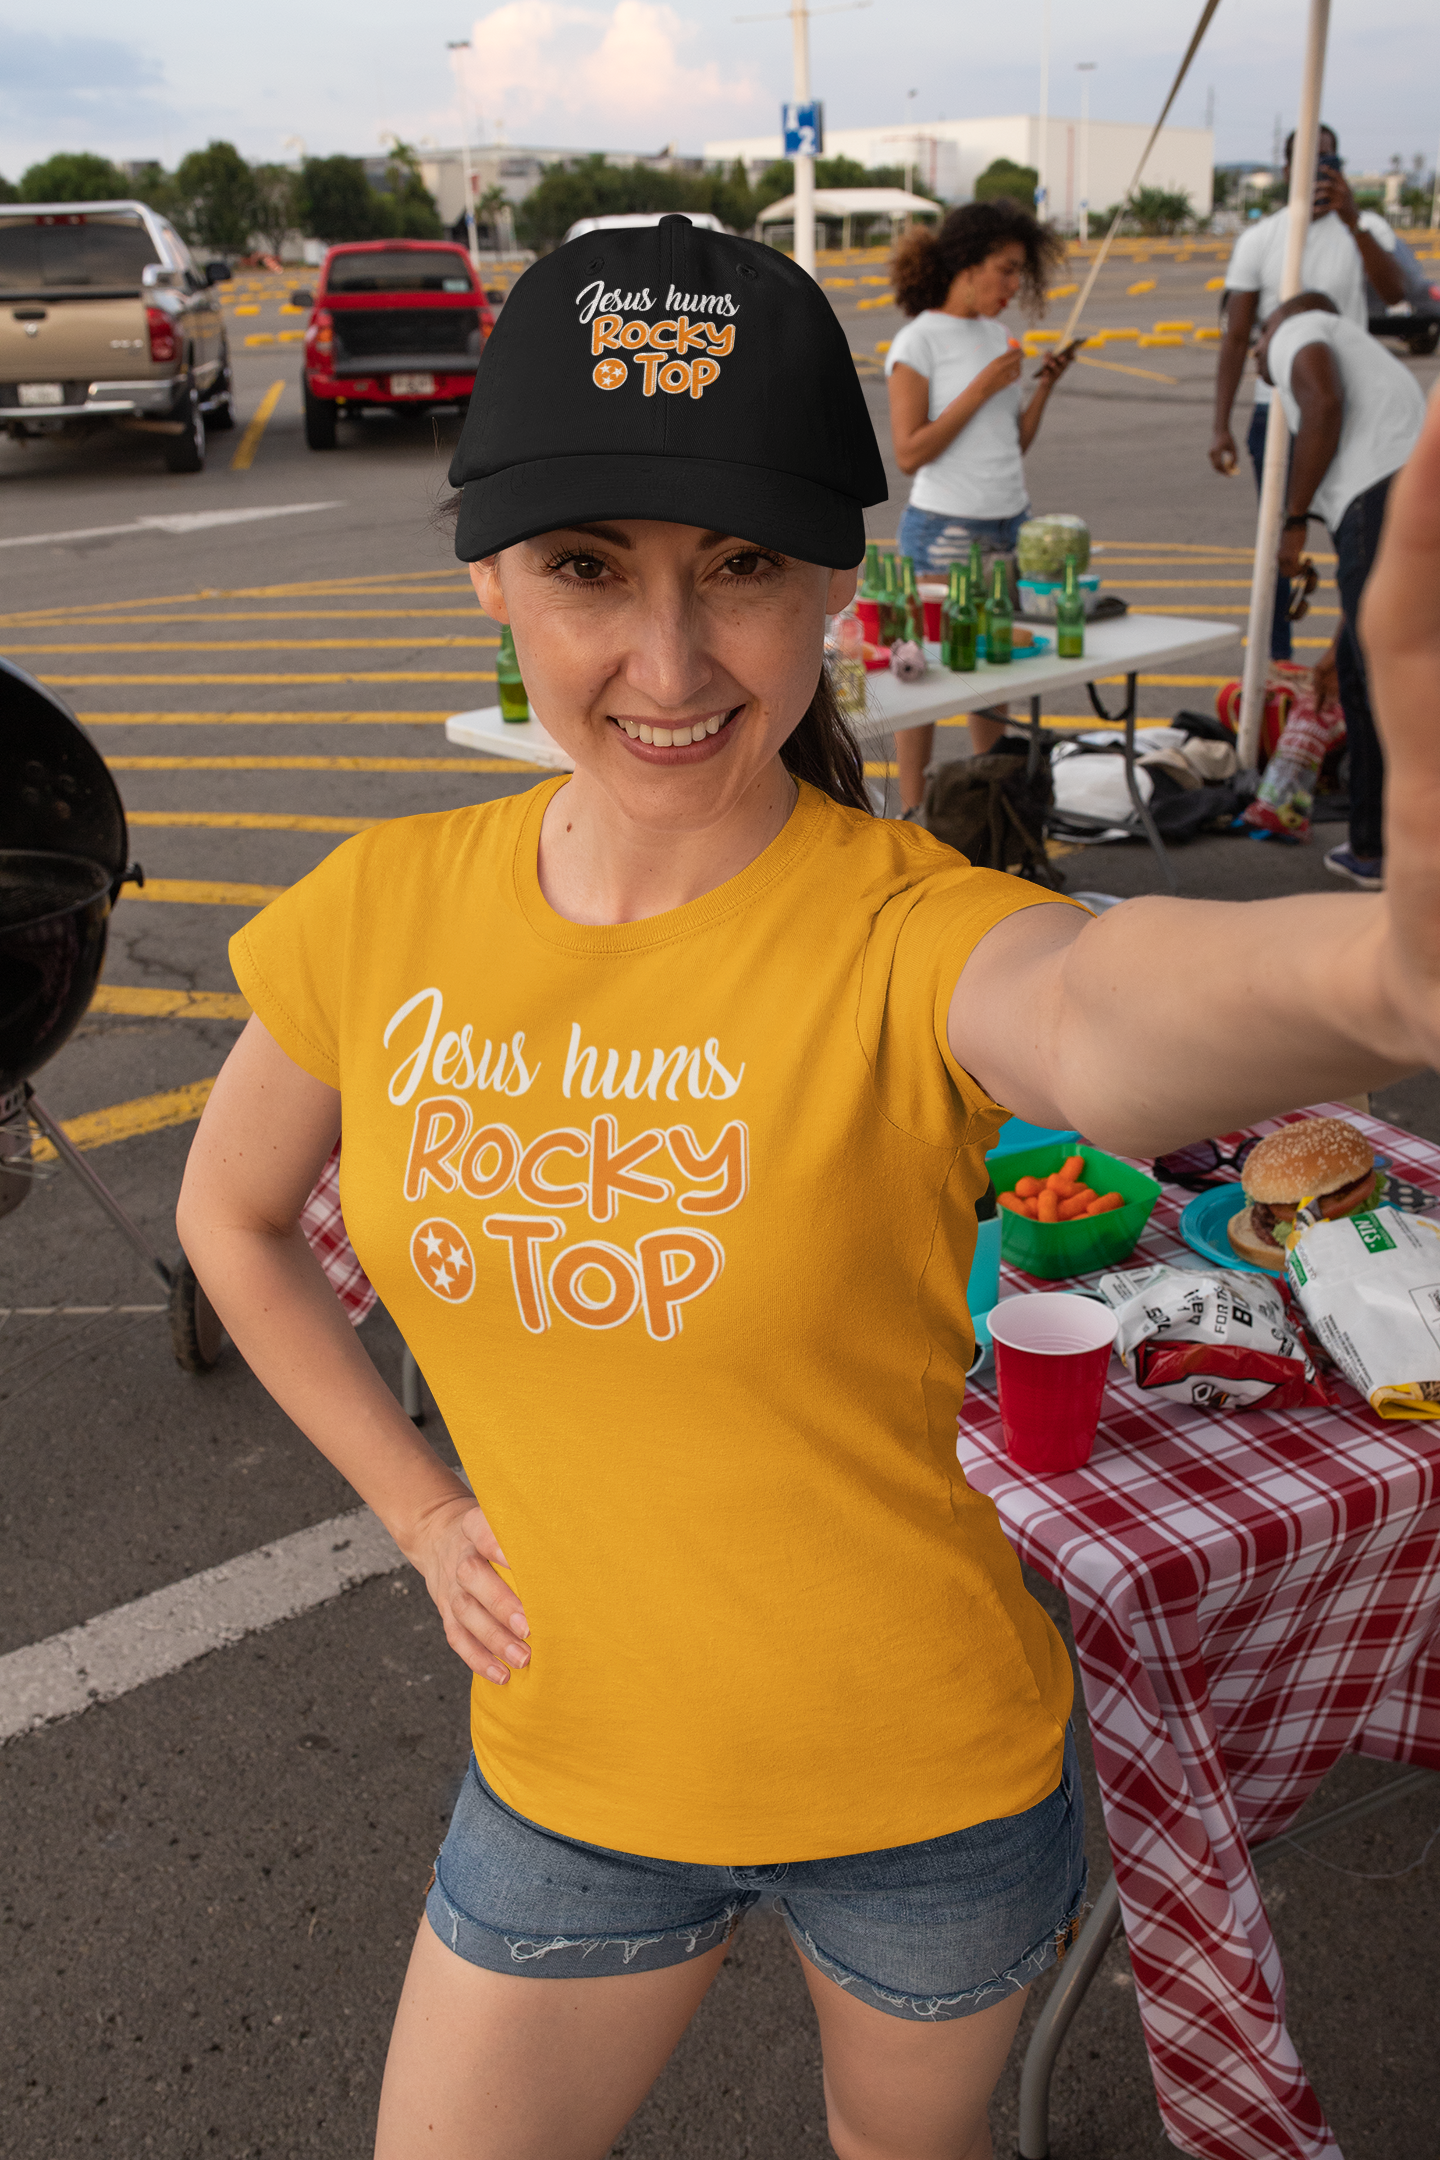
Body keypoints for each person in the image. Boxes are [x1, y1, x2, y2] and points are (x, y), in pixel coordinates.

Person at [176, 215, 1440, 2160]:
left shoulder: (910, 929)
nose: (668, 662)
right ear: (491, 575)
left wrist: (1378, 977)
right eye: (592, 569)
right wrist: (427, 1517)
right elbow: (231, 1222)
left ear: (838, 589)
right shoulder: (375, 914)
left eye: (741, 571)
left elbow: (1095, 1013)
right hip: (566, 1784)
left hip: (922, 1793)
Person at [885, 200, 1079, 812]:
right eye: (1006, 269)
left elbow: (1012, 441)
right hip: (946, 528)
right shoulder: (918, 340)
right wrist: (981, 388)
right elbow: (911, 451)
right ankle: (914, 815)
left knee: (993, 669)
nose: (1014, 285)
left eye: (1021, 271)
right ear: (966, 265)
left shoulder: (999, 338)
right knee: (926, 674)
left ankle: (987, 808)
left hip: (1009, 521)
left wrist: (1043, 385)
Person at [1209, 123, 1405, 660]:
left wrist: (1354, 220)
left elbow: (1394, 293)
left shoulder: (1365, 227)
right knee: (1279, 547)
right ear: (1287, 168)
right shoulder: (1262, 238)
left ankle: (1356, 661)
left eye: (1328, 160)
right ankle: (1276, 661)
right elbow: (1236, 336)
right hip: (1278, 416)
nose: (1319, 171)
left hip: (1354, 417)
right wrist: (1220, 422)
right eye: (1307, 161)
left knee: (1363, 548)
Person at [1254, 290, 1426, 889]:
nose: (1258, 349)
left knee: (1380, 686)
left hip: (1382, 503)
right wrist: (1332, 652)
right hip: (1410, 499)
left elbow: (1322, 401)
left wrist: (1294, 518)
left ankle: (1380, 851)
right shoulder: (1372, 362)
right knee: (1369, 667)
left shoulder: (1297, 328)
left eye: (1258, 334)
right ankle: (1382, 843)